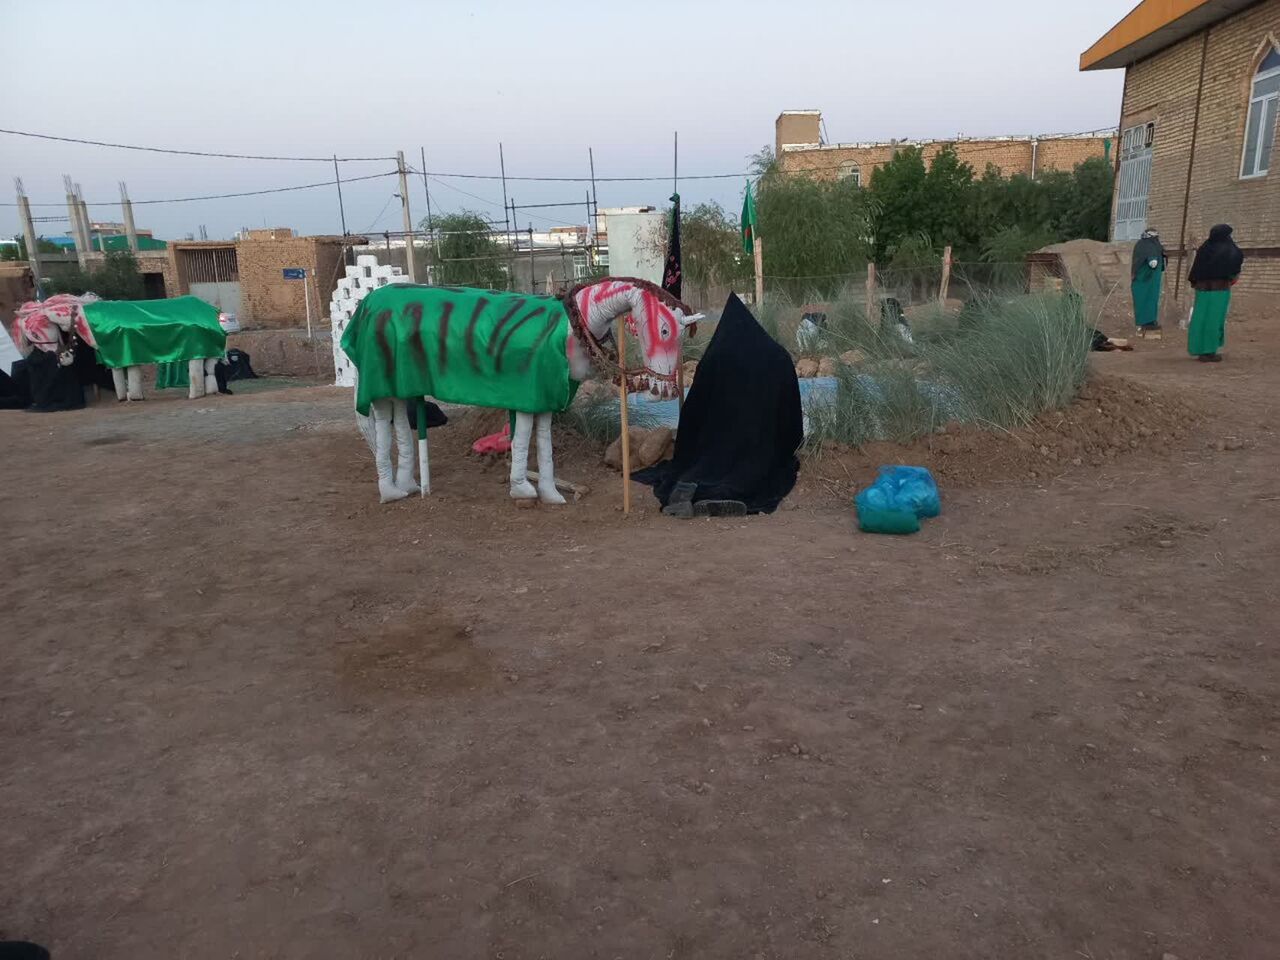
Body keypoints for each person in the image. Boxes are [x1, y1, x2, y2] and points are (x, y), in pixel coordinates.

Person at [1187, 224, 1245, 363]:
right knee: (1214, 319)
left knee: (1200, 318)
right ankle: (1209, 351)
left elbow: (1196, 270)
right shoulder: (1229, 250)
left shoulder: (1204, 248)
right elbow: (1236, 266)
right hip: (1220, 290)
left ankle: (1197, 348)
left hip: (1202, 290)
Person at [1131, 229, 1166, 336]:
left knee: (1149, 300)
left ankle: (1149, 321)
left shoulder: (1141, 244)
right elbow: (1153, 263)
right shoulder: (1148, 246)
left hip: (1148, 280)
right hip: (1145, 279)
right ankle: (1146, 322)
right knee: (1146, 299)